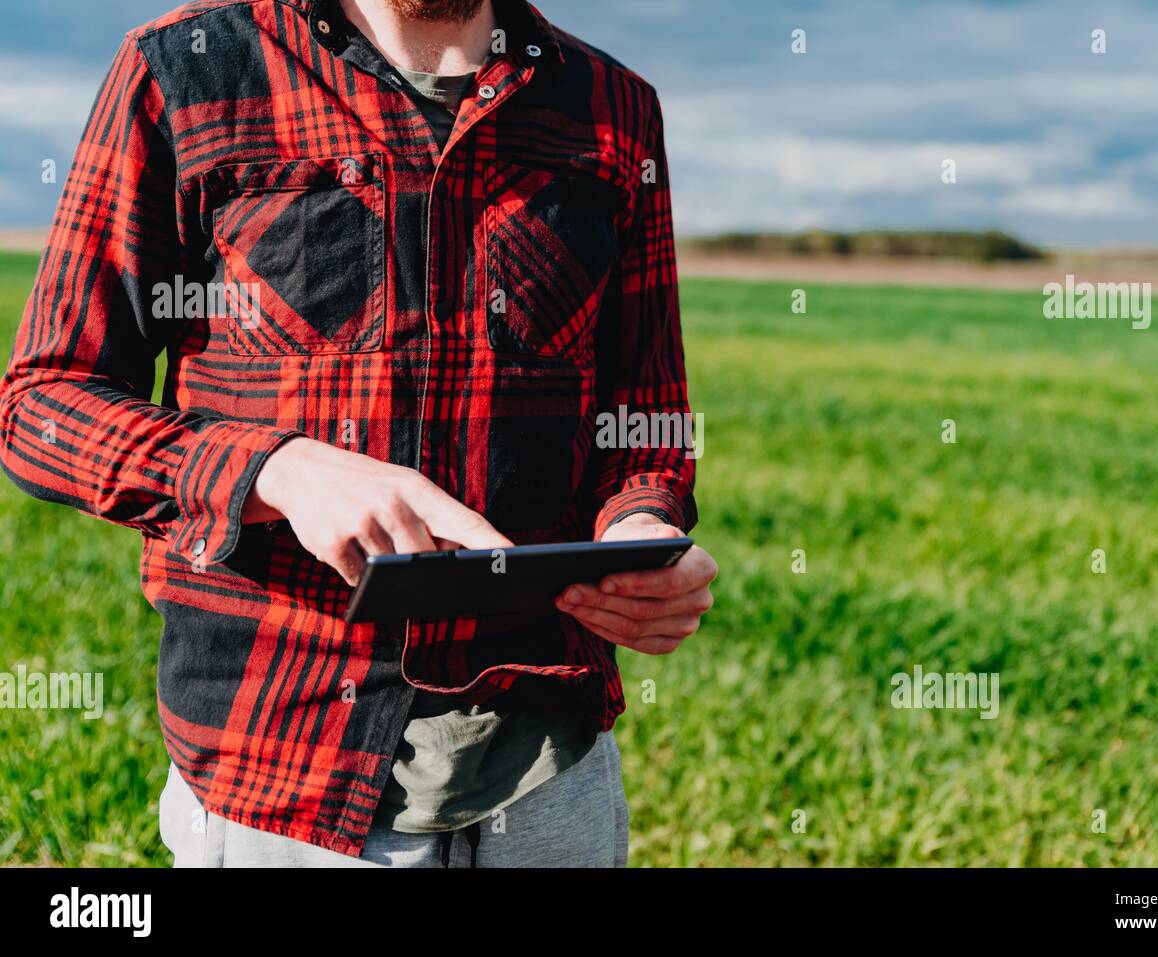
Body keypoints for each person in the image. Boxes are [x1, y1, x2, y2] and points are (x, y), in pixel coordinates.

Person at [0, 0, 715, 867]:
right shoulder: (183, 69)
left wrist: (640, 527)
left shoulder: (613, 107)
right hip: (284, 771)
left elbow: (647, 422)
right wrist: (277, 470)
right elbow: (41, 403)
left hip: (549, 764)